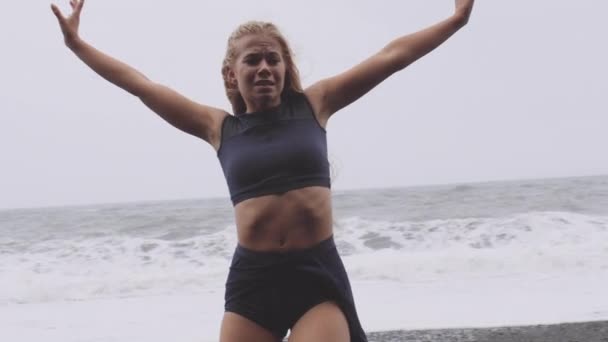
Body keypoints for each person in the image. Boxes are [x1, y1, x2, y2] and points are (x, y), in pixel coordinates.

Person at [51, 0, 475, 341]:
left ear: (286, 67)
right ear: (231, 75)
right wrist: (78, 45)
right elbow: (139, 84)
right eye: (252, 60)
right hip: (254, 281)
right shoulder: (219, 128)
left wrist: (454, 20)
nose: (265, 68)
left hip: (316, 275)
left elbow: (392, 57)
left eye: (274, 59)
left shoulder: (316, 104)